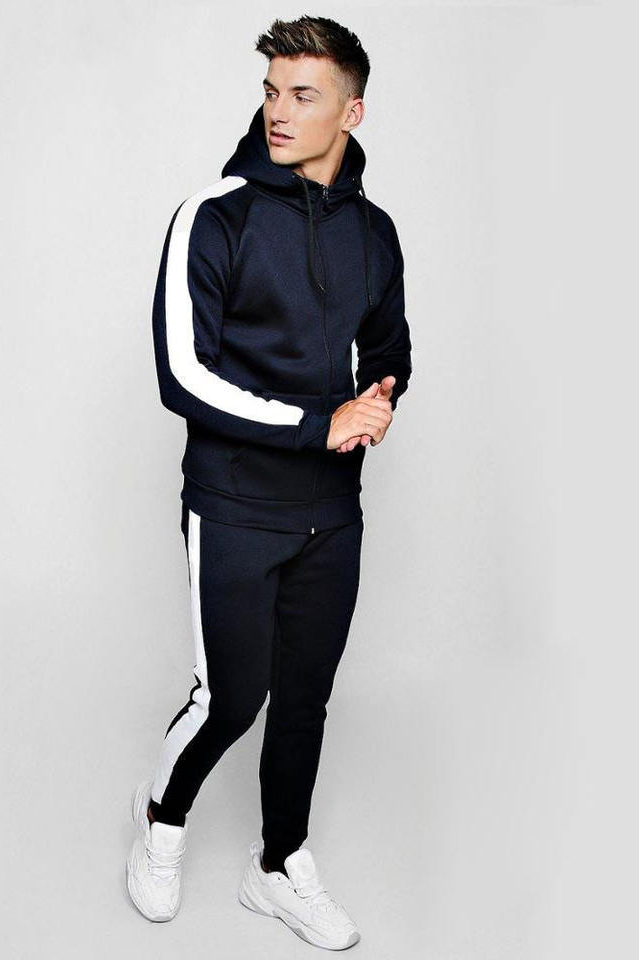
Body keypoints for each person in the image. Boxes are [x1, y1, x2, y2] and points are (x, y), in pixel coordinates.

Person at [125, 15, 413, 950]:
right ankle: (162, 819)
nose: (278, 111)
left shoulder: (375, 233)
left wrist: (379, 397)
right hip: (235, 504)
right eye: (270, 90)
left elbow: (390, 349)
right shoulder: (215, 215)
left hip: (332, 510)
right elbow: (183, 375)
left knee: (305, 699)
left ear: (351, 111)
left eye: (303, 94)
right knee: (231, 698)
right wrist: (316, 423)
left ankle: (277, 865)